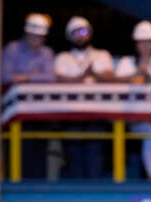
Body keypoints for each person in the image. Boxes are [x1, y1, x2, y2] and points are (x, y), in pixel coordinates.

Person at [54, 16, 114, 180]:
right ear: (69, 36)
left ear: (90, 33)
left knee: (96, 151)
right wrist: (82, 78)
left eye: (83, 31)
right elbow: (59, 78)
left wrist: (94, 74)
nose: (81, 36)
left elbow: (109, 76)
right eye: (76, 32)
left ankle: (96, 192)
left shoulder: (102, 55)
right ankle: (75, 193)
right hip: (71, 115)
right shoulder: (62, 58)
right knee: (73, 153)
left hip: (97, 113)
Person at [114, 20, 151, 181]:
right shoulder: (127, 62)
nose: (146, 46)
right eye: (142, 42)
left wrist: (149, 76)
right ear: (137, 44)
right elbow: (117, 81)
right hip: (134, 118)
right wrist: (136, 74)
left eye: (149, 42)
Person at [1, 12, 56, 179]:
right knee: (17, 150)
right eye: (34, 36)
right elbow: (5, 76)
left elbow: (50, 78)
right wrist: (34, 76)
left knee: (39, 150)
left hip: (40, 112)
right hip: (14, 112)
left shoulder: (46, 53)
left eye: (40, 37)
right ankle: (16, 182)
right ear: (26, 33)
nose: (37, 40)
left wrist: (25, 77)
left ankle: (38, 184)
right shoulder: (12, 49)